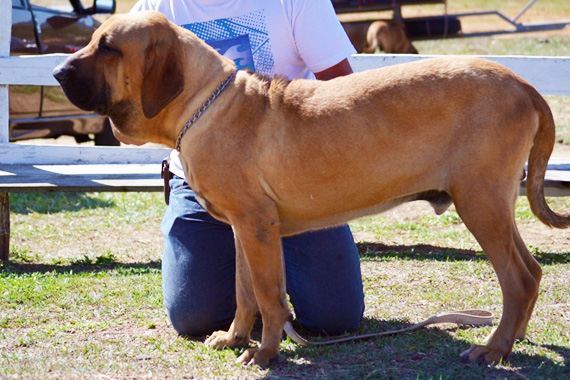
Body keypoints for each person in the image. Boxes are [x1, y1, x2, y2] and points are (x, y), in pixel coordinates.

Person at [128, 0, 365, 337]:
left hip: (293, 180)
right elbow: (130, 112)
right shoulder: (153, 10)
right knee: (195, 319)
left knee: (335, 318)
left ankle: (267, 265)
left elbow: (342, 92)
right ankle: (253, 285)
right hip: (201, 185)